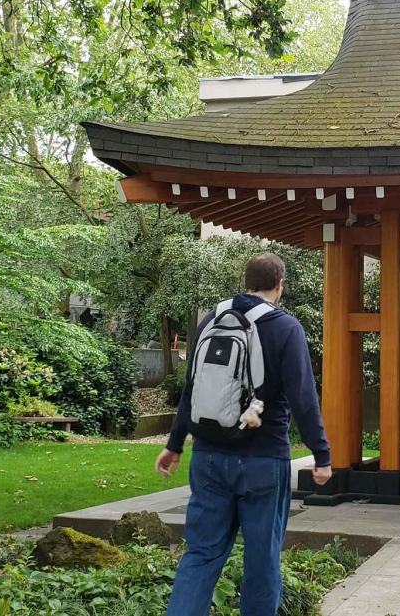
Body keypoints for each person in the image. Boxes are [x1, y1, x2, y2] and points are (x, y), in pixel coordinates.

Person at [155, 253, 332, 616]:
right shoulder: (286, 328)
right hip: (263, 460)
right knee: (261, 560)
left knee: (201, 553)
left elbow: (191, 388)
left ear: (245, 281)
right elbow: (303, 398)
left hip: (207, 456)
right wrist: (321, 455)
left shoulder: (211, 320)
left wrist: (174, 445)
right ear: (279, 284)